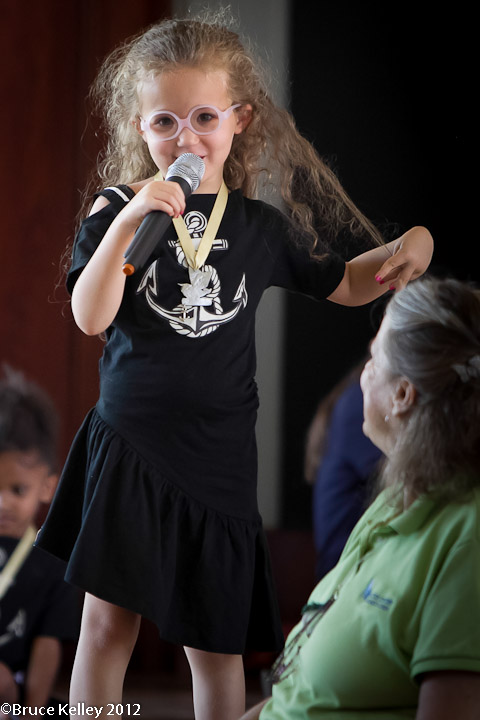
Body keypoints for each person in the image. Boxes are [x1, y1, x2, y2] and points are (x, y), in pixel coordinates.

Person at [34, 11, 433, 720]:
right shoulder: (120, 209)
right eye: (164, 122)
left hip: (218, 459)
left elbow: (347, 283)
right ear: (139, 127)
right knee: (105, 627)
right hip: (133, 446)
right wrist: (128, 222)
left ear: (239, 119)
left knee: (215, 646)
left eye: (204, 117)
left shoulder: (258, 228)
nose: (184, 138)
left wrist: (414, 243)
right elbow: (91, 316)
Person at [241, 275, 480, 720]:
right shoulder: (392, 501)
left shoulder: (468, 539)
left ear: (403, 395)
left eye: (374, 358)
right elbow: (297, 696)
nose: (364, 374)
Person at [0, 368, 79, 716]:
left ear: (47, 487)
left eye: (17, 490)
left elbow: (48, 644)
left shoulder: (53, 558)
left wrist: (31, 711)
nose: (2, 503)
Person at [305, 361, 383, 580]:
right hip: (347, 577)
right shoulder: (362, 402)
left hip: (351, 571)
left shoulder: (355, 396)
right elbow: (411, 482)